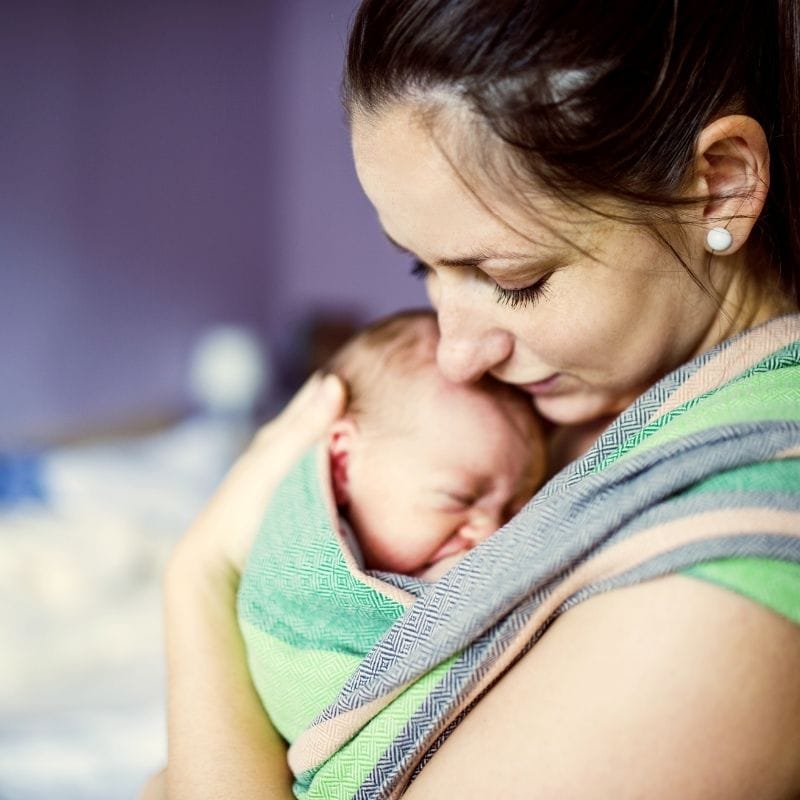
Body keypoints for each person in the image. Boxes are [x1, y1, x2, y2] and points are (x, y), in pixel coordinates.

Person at [144, 1, 800, 797]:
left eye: (511, 280)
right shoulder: (586, 418)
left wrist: (201, 576)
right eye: (423, 269)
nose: (457, 353)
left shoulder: (727, 577)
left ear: (719, 186)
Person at [237, 309, 545, 755]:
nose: (493, 531)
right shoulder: (297, 568)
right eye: (459, 498)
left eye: (514, 508)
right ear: (343, 463)